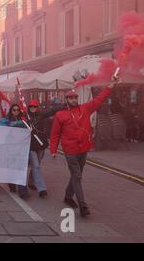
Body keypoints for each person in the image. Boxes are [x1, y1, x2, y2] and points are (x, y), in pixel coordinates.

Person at [50, 76, 120, 217]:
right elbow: (55, 134)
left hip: (83, 149)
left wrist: (110, 85)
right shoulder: (60, 115)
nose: (74, 100)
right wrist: (53, 150)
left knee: (77, 175)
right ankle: (83, 205)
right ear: (67, 100)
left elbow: (99, 99)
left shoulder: (85, 108)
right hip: (70, 150)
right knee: (77, 176)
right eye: (71, 98)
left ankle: (68, 196)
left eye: (75, 98)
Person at [25, 99, 60, 198]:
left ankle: (31, 182)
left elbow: (52, 110)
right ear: (28, 107)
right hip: (31, 146)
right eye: (31, 106)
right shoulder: (25, 117)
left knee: (36, 165)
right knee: (36, 166)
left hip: (41, 145)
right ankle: (42, 189)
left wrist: (64, 105)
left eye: (35, 106)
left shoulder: (42, 115)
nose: (33, 108)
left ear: (38, 107)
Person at [0, 104, 30, 199]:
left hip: (21, 148)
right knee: (12, 168)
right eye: (14, 110)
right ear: (11, 111)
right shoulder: (6, 120)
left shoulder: (24, 120)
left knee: (21, 169)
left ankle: (23, 191)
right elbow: (1, 127)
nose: (16, 111)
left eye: (17, 110)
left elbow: (28, 129)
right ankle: (12, 184)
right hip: (10, 148)